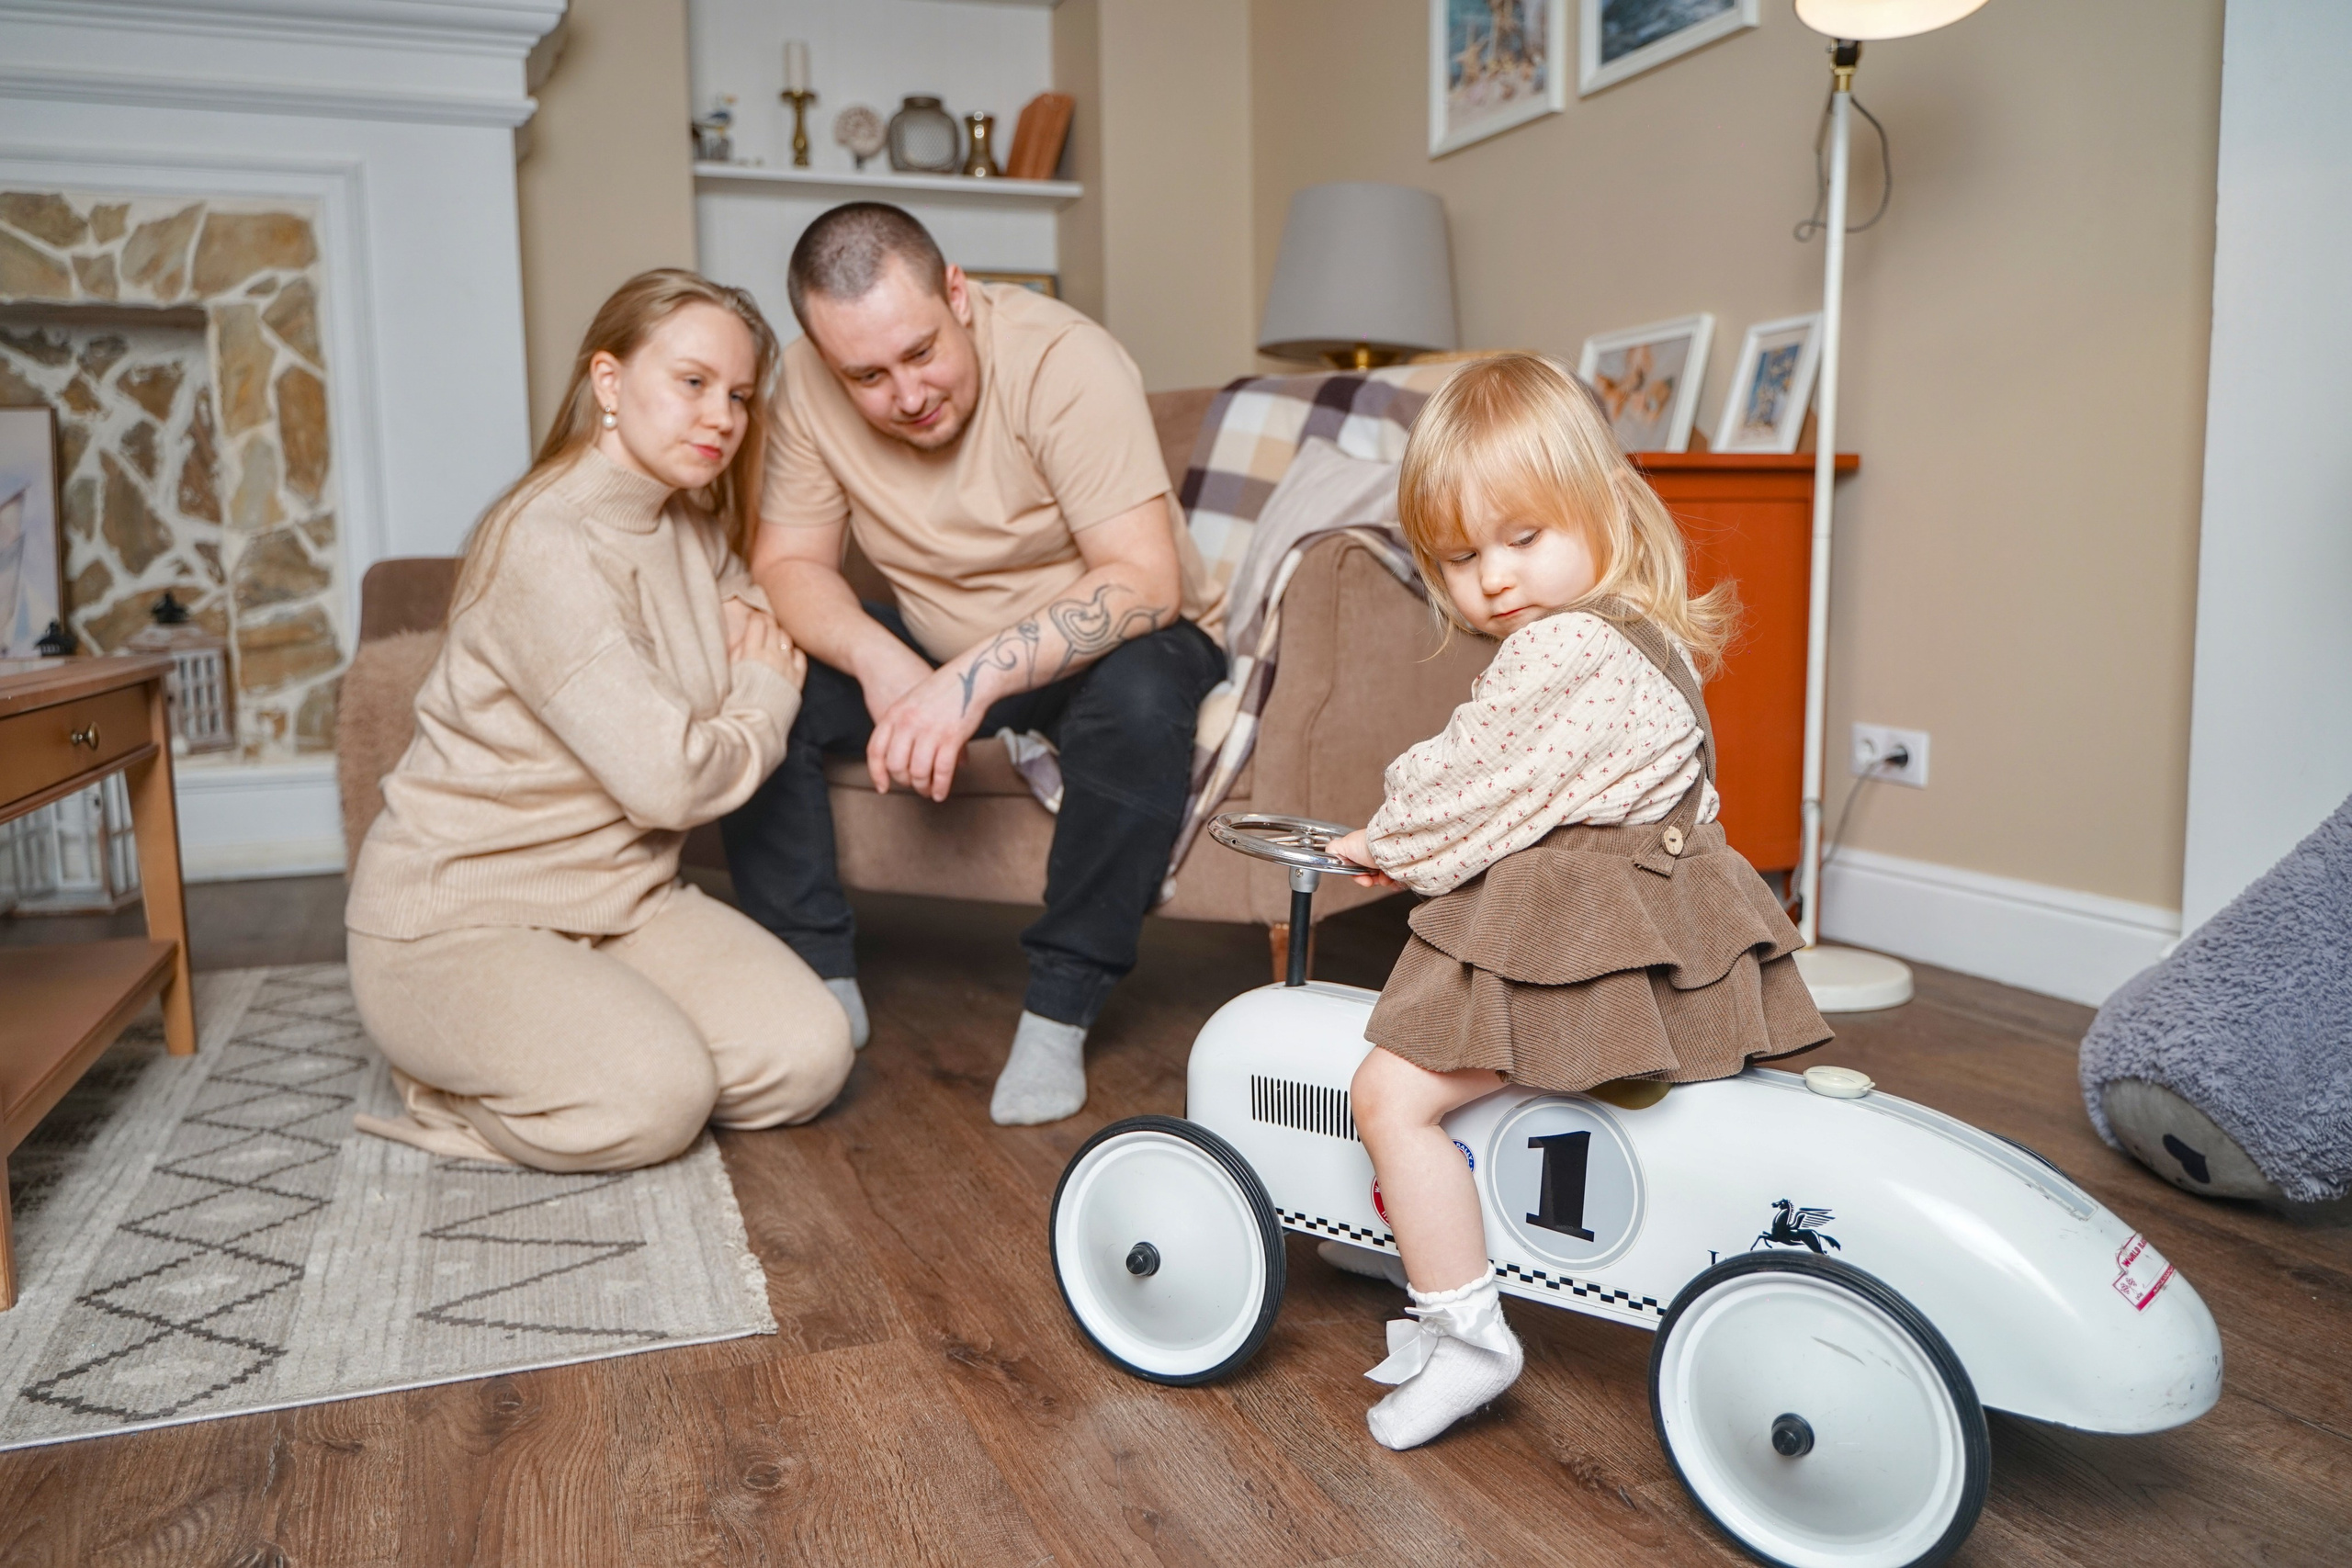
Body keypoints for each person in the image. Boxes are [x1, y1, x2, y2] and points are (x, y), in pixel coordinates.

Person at [1326, 355, 1832, 1450]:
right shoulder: (1641, 639)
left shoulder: (1562, 649)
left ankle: (1463, 1330)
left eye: (1522, 538)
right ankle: (1447, 1275)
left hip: (1586, 936)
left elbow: (1469, 777)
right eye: (1459, 557)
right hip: (1659, 921)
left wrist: (1387, 837)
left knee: (1390, 1095)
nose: (1493, 580)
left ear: (1602, 507)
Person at [723, 203, 1227, 1126]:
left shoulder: (1063, 360)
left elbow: (1143, 581)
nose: (906, 396)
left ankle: (1061, 1007)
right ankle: (816, 978)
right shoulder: (800, 385)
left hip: (1110, 639)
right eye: (866, 376)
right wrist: (877, 659)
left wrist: (974, 679)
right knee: (763, 670)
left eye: (921, 353)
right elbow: (788, 566)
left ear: (957, 292)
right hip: (932, 639)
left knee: (1144, 693)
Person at [344, 269, 854, 1172]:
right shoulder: (547, 541)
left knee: (809, 1056)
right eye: (692, 383)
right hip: (460, 917)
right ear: (609, 382)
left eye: (737, 395)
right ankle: (449, 1084)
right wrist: (765, 700)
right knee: (658, 1101)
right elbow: (670, 778)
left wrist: (753, 668)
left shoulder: (689, 527)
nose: (722, 418)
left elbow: (768, 627)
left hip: (627, 903)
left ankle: (596, 1032)